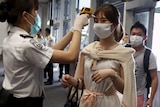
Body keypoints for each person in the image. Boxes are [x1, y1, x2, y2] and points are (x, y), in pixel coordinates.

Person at [0, 0, 89, 107]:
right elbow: (72, 56)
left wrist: (73, 30)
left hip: (10, 98)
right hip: (24, 102)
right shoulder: (26, 44)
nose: (36, 15)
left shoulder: (12, 39)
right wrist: (78, 26)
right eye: (35, 11)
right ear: (25, 16)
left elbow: (50, 51)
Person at [61, 3, 136, 107]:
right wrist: (70, 80)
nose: (98, 24)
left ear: (114, 25)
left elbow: (126, 90)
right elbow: (82, 83)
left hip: (109, 103)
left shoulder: (124, 54)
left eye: (103, 20)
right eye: (96, 21)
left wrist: (112, 74)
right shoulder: (88, 51)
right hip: (87, 102)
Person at [129, 21, 158, 107]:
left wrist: (151, 99)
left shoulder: (149, 55)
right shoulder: (124, 51)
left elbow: (154, 78)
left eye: (139, 34)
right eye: (133, 34)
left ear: (145, 37)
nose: (135, 37)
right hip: (122, 93)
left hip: (139, 94)